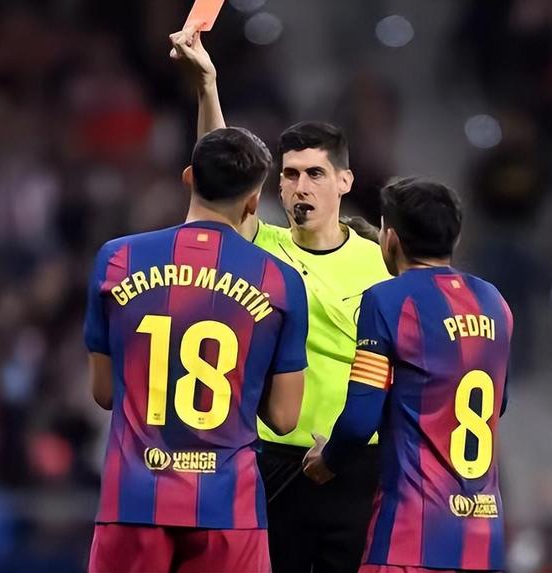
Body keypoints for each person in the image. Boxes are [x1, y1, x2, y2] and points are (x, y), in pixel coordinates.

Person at [169, 24, 391, 573]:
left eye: (315, 174)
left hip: (356, 462)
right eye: (290, 175)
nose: (301, 187)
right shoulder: (261, 247)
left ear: (344, 181)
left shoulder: (382, 263)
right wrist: (207, 87)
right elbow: (219, 170)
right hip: (272, 458)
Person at [84, 127, 308, 573]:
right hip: (228, 507)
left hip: (133, 501)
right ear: (253, 201)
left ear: (188, 177)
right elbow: (284, 419)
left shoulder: (117, 260)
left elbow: (104, 393)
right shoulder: (279, 280)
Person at [304, 177, 512, 573]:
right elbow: (498, 403)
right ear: (455, 235)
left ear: (390, 239)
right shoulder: (494, 302)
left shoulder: (387, 300)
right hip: (483, 538)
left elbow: (359, 421)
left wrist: (328, 460)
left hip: (411, 534)